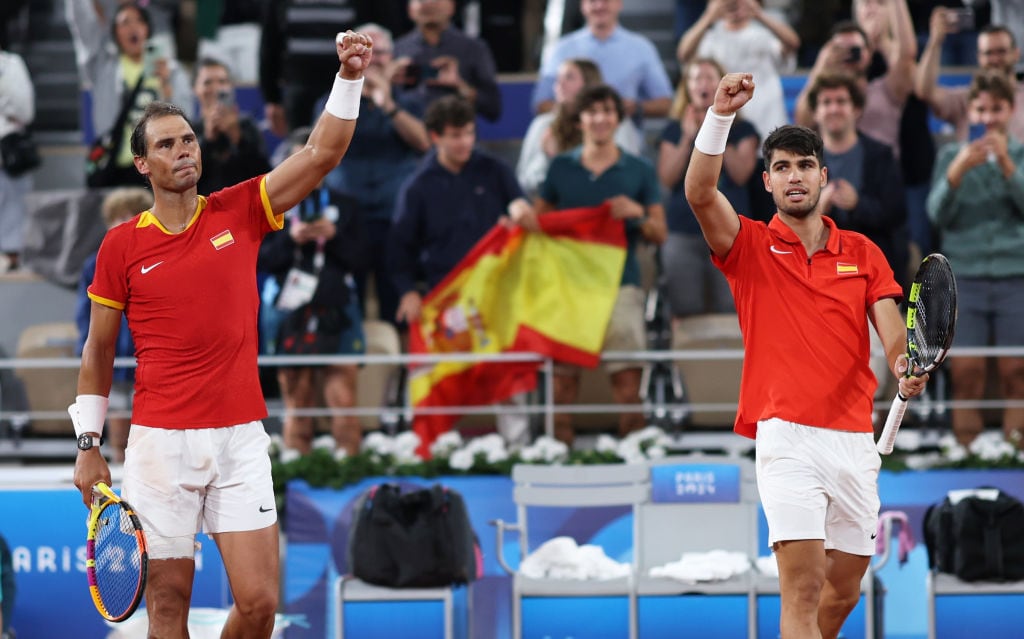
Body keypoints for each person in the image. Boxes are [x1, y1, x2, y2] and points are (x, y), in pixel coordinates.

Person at [70, 31, 373, 639]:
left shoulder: (242, 209)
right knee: (166, 607)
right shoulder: (122, 244)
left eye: (188, 139)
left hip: (239, 439)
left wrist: (350, 76)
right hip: (159, 445)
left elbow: (320, 154)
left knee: (260, 604)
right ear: (142, 163)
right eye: (166, 144)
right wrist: (88, 442)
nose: (183, 150)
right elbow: (99, 348)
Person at [684, 72, 927, 638]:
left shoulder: (863, 252)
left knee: (841, 594)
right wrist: (719, 114)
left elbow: (893, 333)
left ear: (824, 176)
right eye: (783, 168)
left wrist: (903, 365)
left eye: (805, 165)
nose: (795, 176)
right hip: (786, 436)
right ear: (767, 182)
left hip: (853, 440)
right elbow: (699, 193)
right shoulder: (746, 246)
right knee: (802, 587)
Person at [527, 84, 668, 445]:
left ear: (618, 119)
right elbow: (536, 225)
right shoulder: (560, 167)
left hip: (622, 284)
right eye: (592, 112)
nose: (600, 119)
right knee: (561, 381)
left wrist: (636, 213)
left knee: (627, 382)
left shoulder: (638, 169)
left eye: (607, 111)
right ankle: (557, 452)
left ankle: (634, 451)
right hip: (569, 288)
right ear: (580, 120)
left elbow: (659, 232)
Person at [926, 69, 1024, 451]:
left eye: (996, 109)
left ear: (1009, 110)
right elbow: (936, 215)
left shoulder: (1019, 155)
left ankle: (1015, 454)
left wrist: (1007, 168)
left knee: (1016, 371)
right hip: (963, 276)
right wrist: (955, 173)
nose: (988, 118)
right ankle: (965, 454)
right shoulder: (951, 155)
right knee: (966, 372)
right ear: (971, 111)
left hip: (1014, 275)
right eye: (981, 109)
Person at [258, 127, 368, 455]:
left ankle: (350, 479)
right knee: (298, 399)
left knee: (343, 398)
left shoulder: (346, 206)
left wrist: (334, 235)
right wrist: (291, 239)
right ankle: (296, 483)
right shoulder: (273, 208)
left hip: (338, 306)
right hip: (288, 310)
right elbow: (260, 259)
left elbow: (363, 260)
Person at [318, 22, 430, 325]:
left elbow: (424, 142)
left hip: (394, 219)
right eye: (369, 51)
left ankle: (400, 372)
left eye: (381, 53)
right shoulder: (331, 103)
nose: (376, 59)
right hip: (345, 224)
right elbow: (319, 149)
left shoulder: (410, 103)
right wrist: (358, 93)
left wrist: (387, 103)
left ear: (393, 57)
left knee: (397, 306)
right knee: (343, 308)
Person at [388, 95, 531, 326]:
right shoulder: (417, 187)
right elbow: (399, 249)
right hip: (446, 293)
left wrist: (521, 211)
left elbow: (521, 208)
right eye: (456, 136)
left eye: (469, 133)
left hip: (499, 287)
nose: (465, 142)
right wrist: (408, 291)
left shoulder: (496, 171)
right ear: (435, 137)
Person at [658, 57, 757, 319]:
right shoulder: (674, 129)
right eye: (696, 78)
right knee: (686, 309)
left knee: (732, 309)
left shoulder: (743, 129)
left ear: (720, 83)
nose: (703, 84)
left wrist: (715, 126)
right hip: (683, 232)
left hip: (731, 234)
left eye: (709, 77)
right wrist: (689, 138)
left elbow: (741, 173)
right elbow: (667, 178)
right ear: (687, 87)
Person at [66, 0, 192, 187]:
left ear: (147, 29)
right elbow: (83, 25)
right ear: (115, 33)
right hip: (117, 167)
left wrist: (166, 86)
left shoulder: (170, 70)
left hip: (157, 168)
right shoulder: (103, 68)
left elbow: (187, 121)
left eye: (139, 21)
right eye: (125, 22)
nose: (133, 27)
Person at [808, 72, 908, 291]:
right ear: (815, 112)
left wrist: (858, 205)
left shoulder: (881, 155)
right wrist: (817, 212)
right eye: (826, 102)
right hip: (820, 276)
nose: (834, 108)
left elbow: (897, 214)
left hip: (873, 274)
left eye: (841, 101)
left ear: (856, 109)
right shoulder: (802, 161)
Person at [74, 187, 153, 464]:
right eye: (116, 217)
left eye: (129, 215)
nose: (122, 221)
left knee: (149, 428)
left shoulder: (157, 259)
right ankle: (118, 465)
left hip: (149, 360)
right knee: (117, 418)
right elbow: (86, 314)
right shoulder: (93, 263)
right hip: (114, 359)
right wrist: (89, 351)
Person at [794, 13, 916, 159]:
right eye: (841, 49)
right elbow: (803, 120)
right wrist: (821, 65)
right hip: (833, 174)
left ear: (869, 53)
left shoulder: (886, 89)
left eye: (855, 49)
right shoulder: (826, 98)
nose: (848, 55)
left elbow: (906, 56)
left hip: (881, 172)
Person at [516, 57, 642, 198]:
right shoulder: (542, 125)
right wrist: (547, 159)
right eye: (558, 78)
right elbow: (525, 181)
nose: (560, 84)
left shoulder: (615, 122)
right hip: (556, 210)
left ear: (589, 83)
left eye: (569, 78)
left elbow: (630, 177)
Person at [676, 0, 800, 142]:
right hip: (730, 123)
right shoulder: (709, 38)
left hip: (767, 117)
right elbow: (683, 53)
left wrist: (758, 13)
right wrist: (709, 16)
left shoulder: (765, 34)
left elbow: (793, 43)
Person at [531, 0, 674, 122]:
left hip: (624, 140)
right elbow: (541, 103)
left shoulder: (642, 48)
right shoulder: (562, 48)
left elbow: (666, 103)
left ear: (619, 3)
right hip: (572, 139)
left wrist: (633, 107)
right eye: (592, 1)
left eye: (606, 0)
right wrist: (580, 110)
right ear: (582, 5)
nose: (599, 6)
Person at [260, 0, 378, 136]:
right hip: (298, 88)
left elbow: (370, 36)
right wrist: (272, 98)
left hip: (345, 84)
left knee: (344, 143)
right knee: (300, 145)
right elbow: (269, 45)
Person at [391, 0, 503, 122]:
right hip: (407, 135)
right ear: (410, 9)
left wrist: (460, 85)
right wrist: (388, 79)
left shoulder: (474, 48)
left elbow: (493, 108)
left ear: (452, 6)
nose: (429, 3)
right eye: (421, 0)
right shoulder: (397, 49)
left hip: (456, 135)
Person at [915, 20, 1024, 143]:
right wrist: (935, 40)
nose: (994, 59)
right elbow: (925, 91)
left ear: (1016, 54)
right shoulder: (966, 98)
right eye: (988, 53)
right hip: (972, 161)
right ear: (979, 57)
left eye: (1001, 51)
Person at [193, 58, 271, 195]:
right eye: (208, 82)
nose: (216, 88)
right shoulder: (189, 129)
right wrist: (208, 140)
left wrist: (237, 136)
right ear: (195, 89)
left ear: (231, 87)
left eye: (222, 82)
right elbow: (187, 178)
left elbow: (265, 175)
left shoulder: (246, 125)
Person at [0, 44, 33, 273]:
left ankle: (12, 255)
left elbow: (24, 111)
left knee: (14, 202)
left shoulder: (11, 65)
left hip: (9, 149)